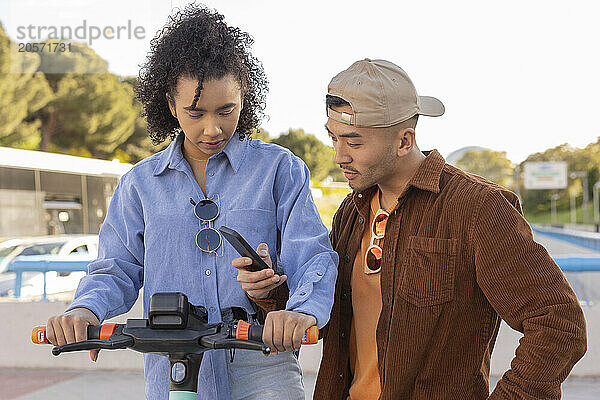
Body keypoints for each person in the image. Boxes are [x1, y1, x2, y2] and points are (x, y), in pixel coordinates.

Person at [245, 58, 587, 399]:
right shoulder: (353, 211)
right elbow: (332, 321)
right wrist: (272, 294)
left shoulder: (478, 208)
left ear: (405, 141)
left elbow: (558, 323)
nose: (339, 156)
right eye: (333, 138)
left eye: (354, 142)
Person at [44, 6, 338, 400]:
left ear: (244, 97)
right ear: (169, 104)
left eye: (226, 111)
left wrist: (299, 311)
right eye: (194, 113)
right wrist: (85, 311)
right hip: (170, 370)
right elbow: (116, 268)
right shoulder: (139, 185)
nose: (211, 129)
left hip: (261, 365)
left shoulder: (281, 169)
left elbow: (313, 255)